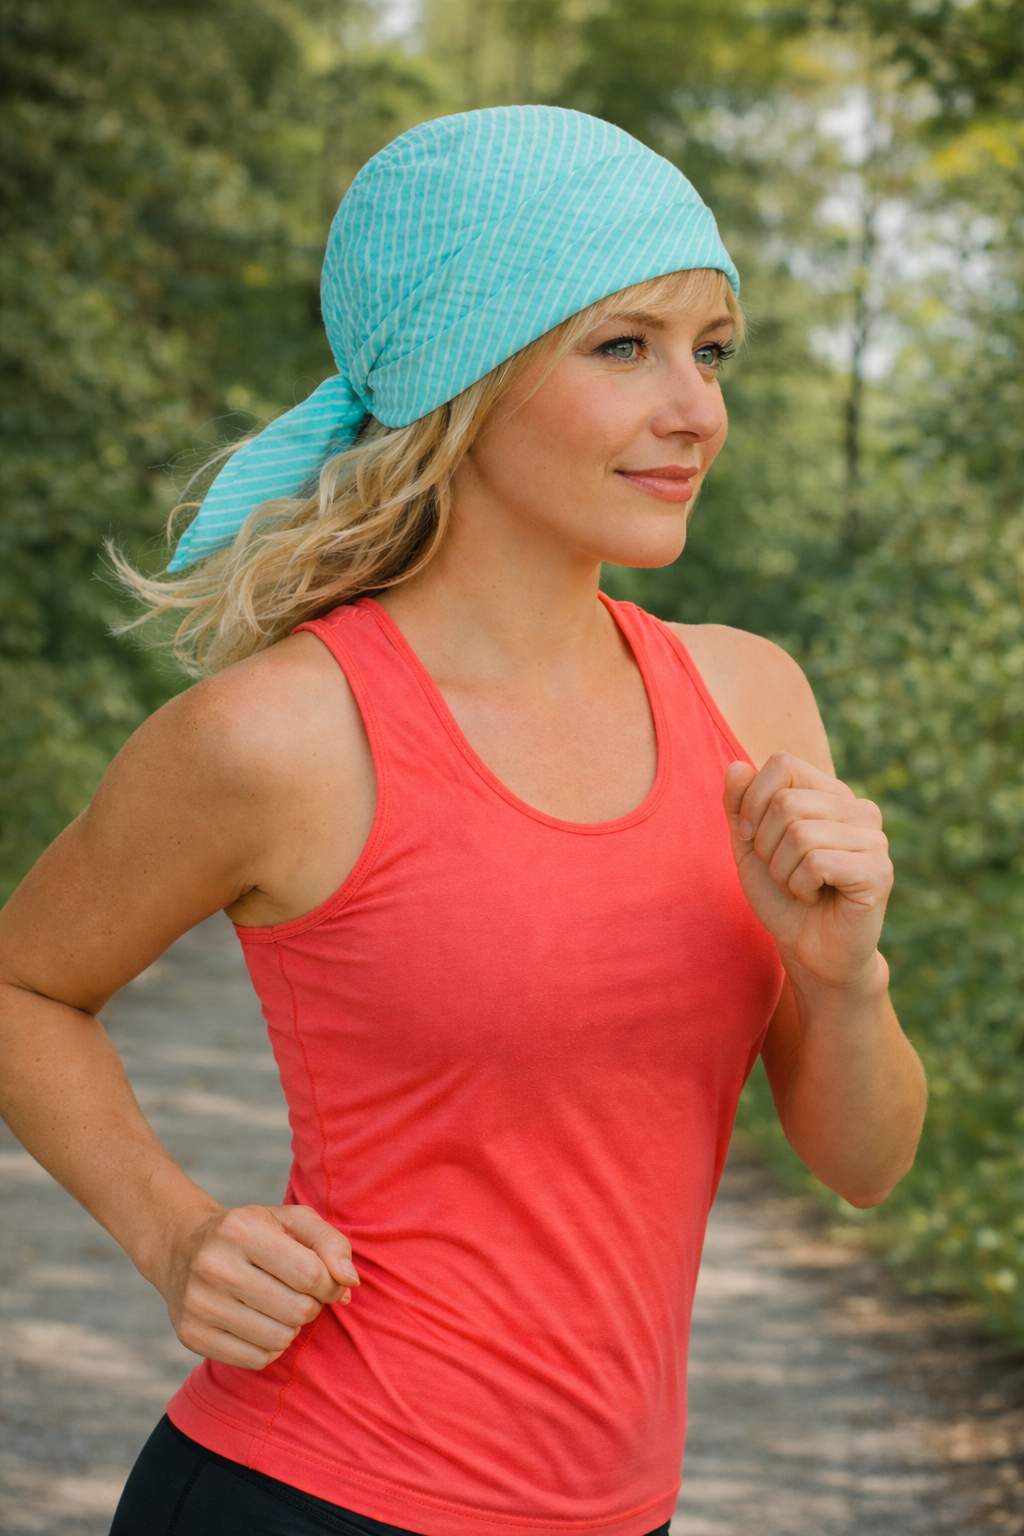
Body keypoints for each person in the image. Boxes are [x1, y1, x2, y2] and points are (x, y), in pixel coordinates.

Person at [0, 107, 926, 1536]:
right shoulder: (284, 736)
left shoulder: (753, 700)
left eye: (711, 349)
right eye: (624, 346)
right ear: (466, 375)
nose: (698, 408)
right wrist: (173, 1231)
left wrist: (844, 971)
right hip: (308, 1496)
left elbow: (863, 1167)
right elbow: (24, 985)